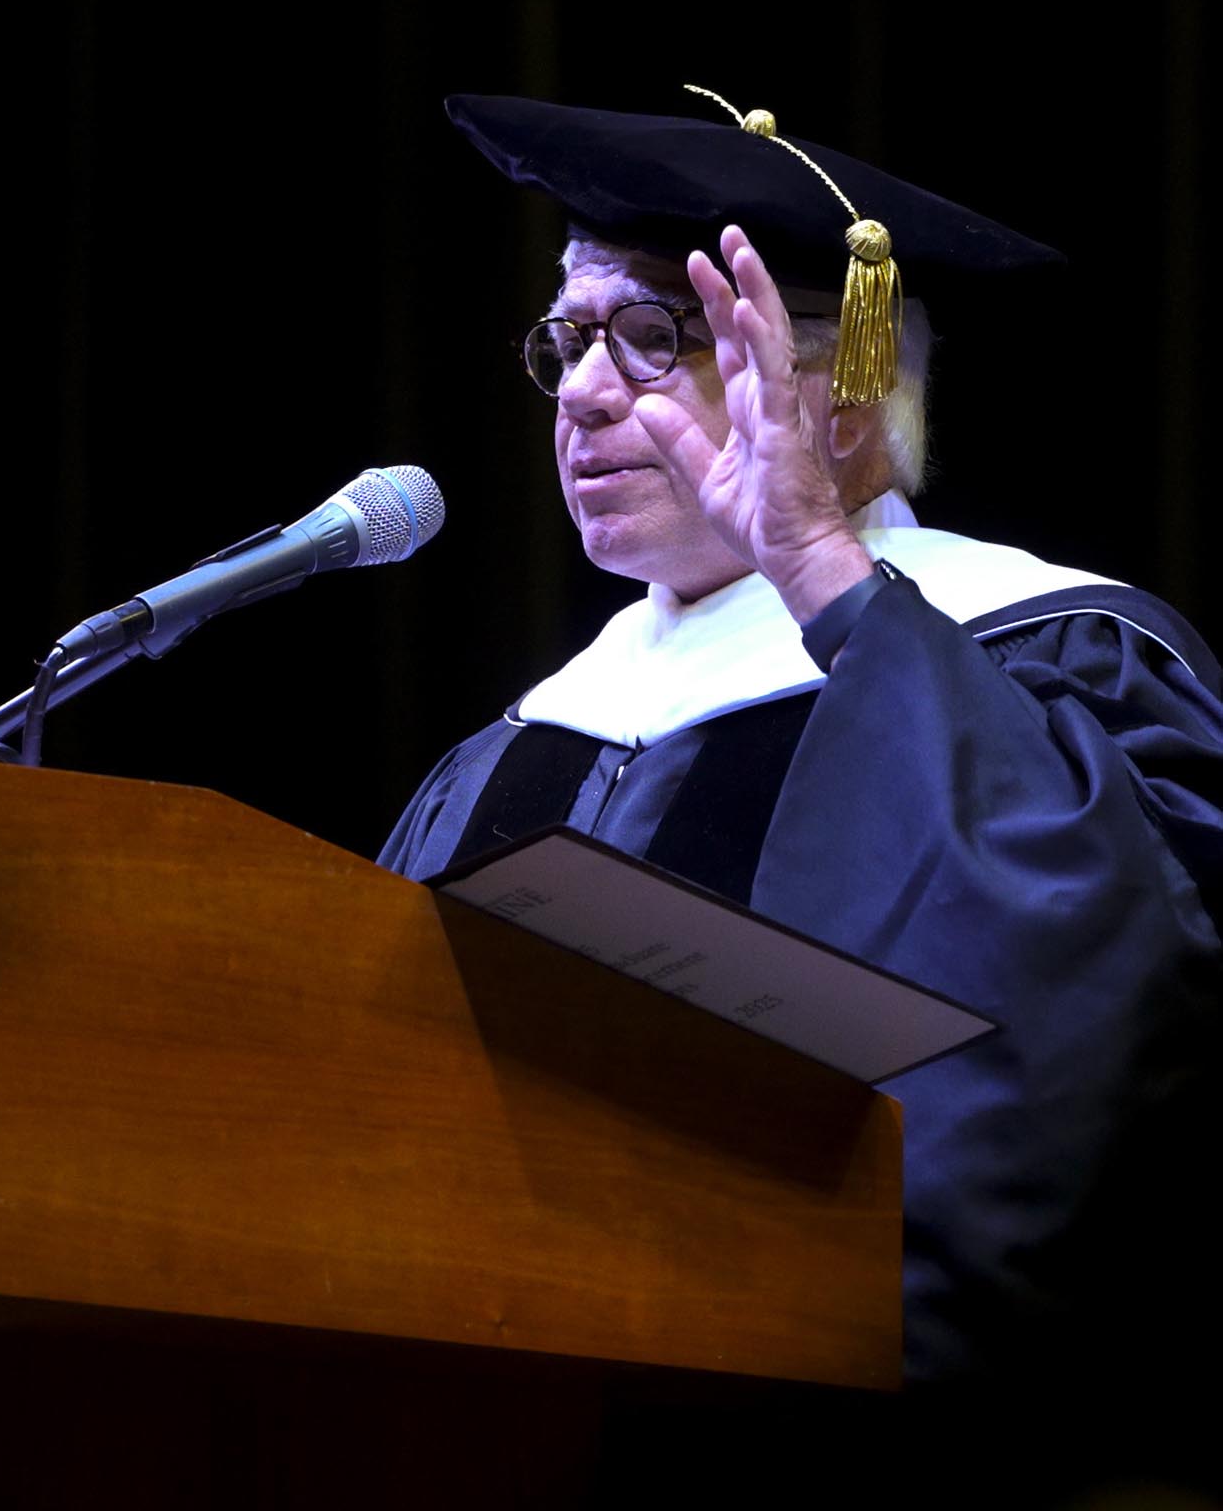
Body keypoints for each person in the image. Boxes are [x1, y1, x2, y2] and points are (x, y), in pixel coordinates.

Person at [380, 92, 1223, 1487]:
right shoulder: (521, 739)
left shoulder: (1055, 651)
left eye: (652, 335)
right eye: (567, 340)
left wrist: (822, 570)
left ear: (838, 392)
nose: (584, 391)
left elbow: (1103, 995)